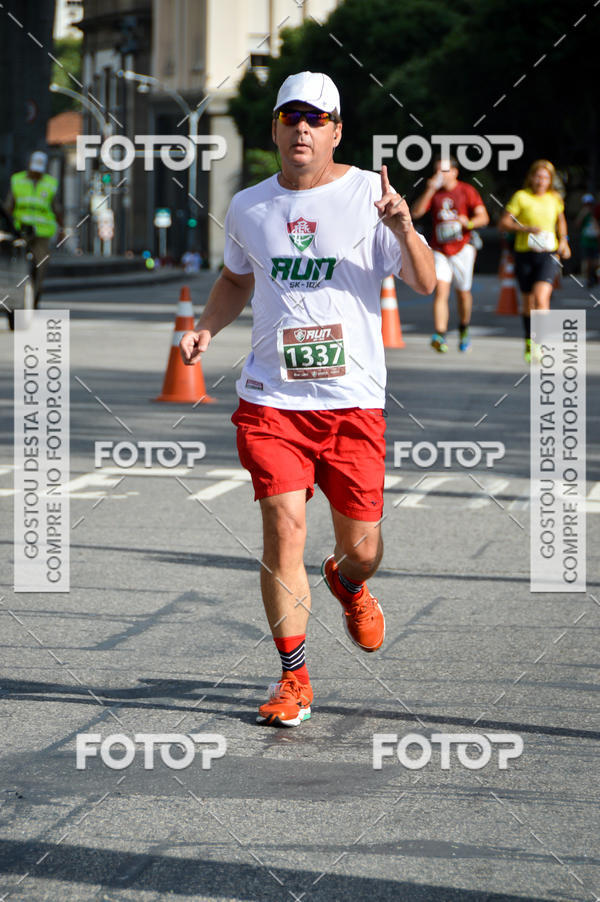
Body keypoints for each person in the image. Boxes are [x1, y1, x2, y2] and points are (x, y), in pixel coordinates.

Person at [179, 71, 435, 727]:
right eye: (290, 116)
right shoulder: (249, 207)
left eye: (315, 118)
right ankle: (293, 677)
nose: (301, 128)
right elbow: (235, 280)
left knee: (365, 549)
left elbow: (426, 282)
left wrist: (404, 227)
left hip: (352, 403)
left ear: (336, 131)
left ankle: (346, 582)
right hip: (272, 401)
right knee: (283, 528)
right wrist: (207, 327)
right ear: (274, 128)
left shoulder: (369, 195)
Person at [411, 156, 489, 353]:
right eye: (437, 170)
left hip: (463, 248)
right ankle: (440, 334)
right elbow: (416, 212)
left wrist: (468, 223)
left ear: (455, 172)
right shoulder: (434, 192)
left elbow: (483, 217)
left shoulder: (466, 190)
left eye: (444, 170)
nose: (440, 175)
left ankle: (464, 327)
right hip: (440, 249)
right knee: (441, 290)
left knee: (463, 293)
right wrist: (430, 189)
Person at [498, 159, 571, 361]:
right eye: (538, 176)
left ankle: (541, 341)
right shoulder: (521, 197)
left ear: (550, 180)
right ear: (531, 177)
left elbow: (561, 221)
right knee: (528, 301)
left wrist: (564, 241)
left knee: (541, 297)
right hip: (524, 253)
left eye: (545, 177)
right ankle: (529, 340)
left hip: (548, 253)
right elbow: (504, 223)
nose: (541, 181)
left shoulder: (554, 198)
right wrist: (524, 228)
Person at [4, 151, 63, 308]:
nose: (35, 173)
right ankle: (18, 295)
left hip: (42, 233)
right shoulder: (17, 180)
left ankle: (34, 297)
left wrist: (62, 229)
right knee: (17, 265)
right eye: (33, 170)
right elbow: (9, 206)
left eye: (38, 171)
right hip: (20, 232)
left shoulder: (50, 184)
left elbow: (56, 209)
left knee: (41, 265)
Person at [575, 193, 599, 288]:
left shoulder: (596, 212)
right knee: (588, 261)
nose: (588, 206)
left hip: (596, 240)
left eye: (590, 204)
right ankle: (590, 279)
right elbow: (577, 224)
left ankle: (595, 277)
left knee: (596, 261)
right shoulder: (583, 213)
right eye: (586, 204)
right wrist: (583, 214)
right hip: (586, 241)